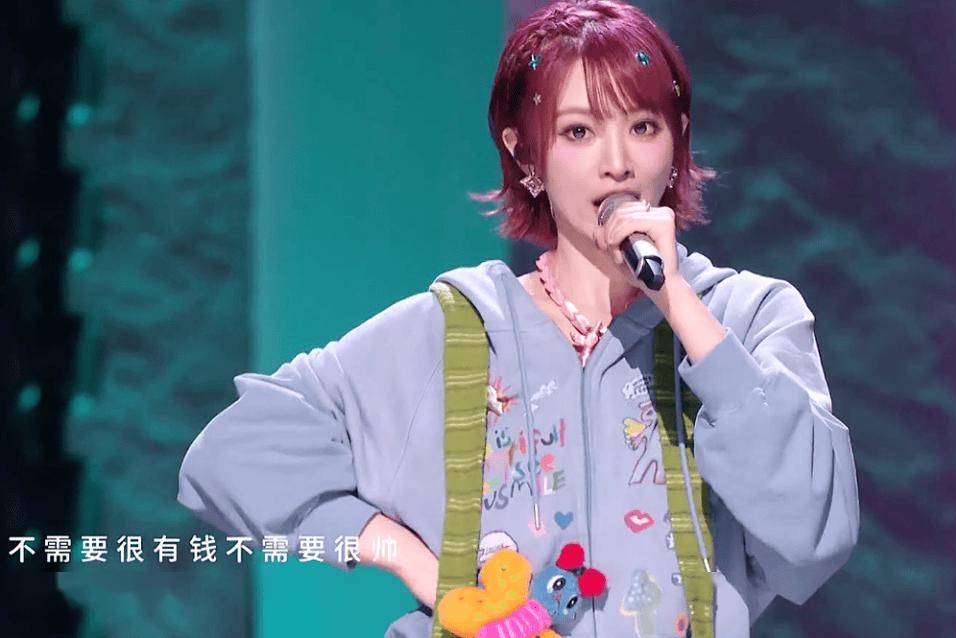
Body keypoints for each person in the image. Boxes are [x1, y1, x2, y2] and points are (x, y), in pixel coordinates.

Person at [177, 1, 859, 636]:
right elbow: (233, 453)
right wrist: (416, 564)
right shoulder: (456, 332)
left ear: (677, 140)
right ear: (525, 154)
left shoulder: (747, 317)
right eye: (579, 131)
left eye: (643, 127)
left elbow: (816, 531)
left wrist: (678, 303)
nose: (617, 163)